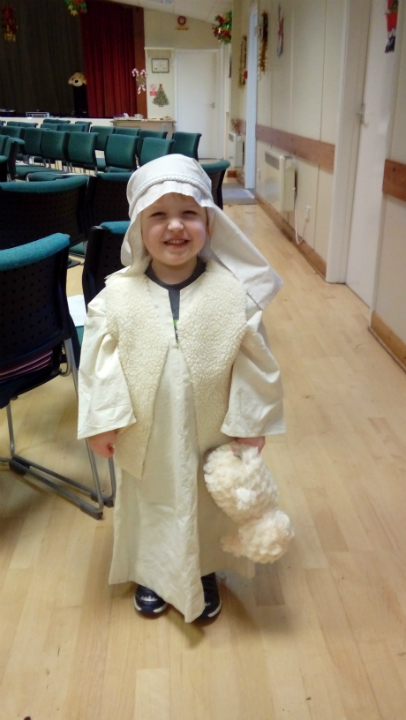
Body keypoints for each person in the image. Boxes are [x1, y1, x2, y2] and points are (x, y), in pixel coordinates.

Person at [78, 154, 285, 622]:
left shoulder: (233, 296)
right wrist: (103, 422)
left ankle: (203, 566)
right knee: (151, 499)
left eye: (189, 212)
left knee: (206, 501)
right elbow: (100, 370)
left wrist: (250, 423)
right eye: (159, 215)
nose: (176, 227)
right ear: (138, 227)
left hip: (211, 429)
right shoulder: (116, 297)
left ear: (209, 222)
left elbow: (255, 366)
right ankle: (153, 569)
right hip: (145, 432)